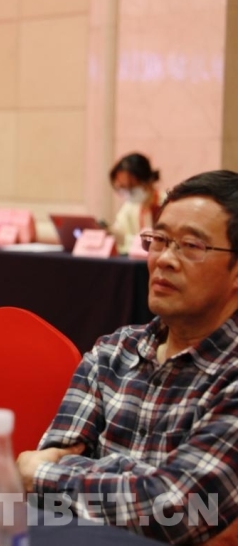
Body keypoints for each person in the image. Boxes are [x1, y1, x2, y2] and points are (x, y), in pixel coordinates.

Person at [16, 169, 238, 544]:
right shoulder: (113, 352)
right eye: (159, 240)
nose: (164, 259)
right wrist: (141, 483)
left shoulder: (230, 374)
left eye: (191, 245)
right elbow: (34, 489)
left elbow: (174, 511)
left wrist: (51, 475)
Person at [108, 153, 165, 253]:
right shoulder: (129, 207)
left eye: (130, 186)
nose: (127, 192)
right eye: (122, 187)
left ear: (145, 180)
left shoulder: (166, 203)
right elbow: (119, 233)